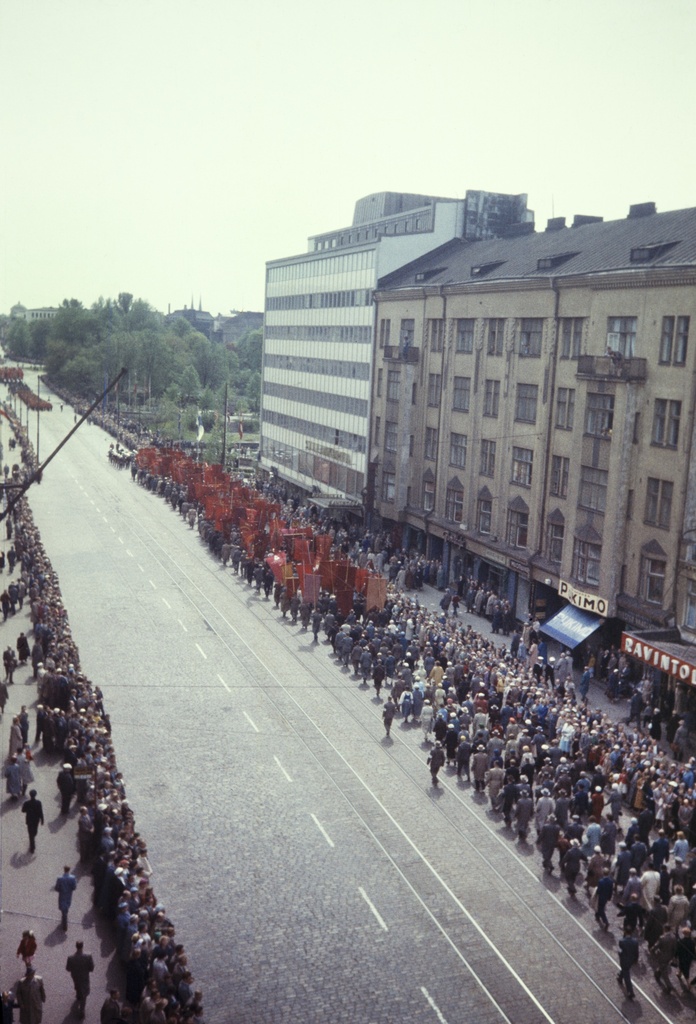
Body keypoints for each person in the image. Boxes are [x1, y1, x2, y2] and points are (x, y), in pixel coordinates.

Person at [65, 940, 94, 1019]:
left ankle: (78, 995)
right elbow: (91, 968)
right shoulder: (88, 956)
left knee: (77, 986)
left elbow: (68, 968)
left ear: (76, 946)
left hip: (75, 976)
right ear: (82, 946)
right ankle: (82, 1010)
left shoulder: (70, 958)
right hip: (84, 977)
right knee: (84, 994)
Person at [617, 926, 639, 1000]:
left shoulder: (622, 941)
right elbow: (636, 952)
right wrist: (636, 960)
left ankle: (630, 991)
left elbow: (621, 950)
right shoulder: (635, 941)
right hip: (631, 960)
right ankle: (620, 977)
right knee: (625, 970)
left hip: (624, 960)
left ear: (625, 932)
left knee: (627, 975)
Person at [55, 865, 77, 932]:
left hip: (62, 895)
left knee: (62, 907)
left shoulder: (60, 878)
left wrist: (61, 890)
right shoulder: (73, 878)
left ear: (64, 870)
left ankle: (64, 920)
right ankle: (65, 916)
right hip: (69, 895)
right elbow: (74, 887)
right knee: (67, 906)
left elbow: (56, 888)